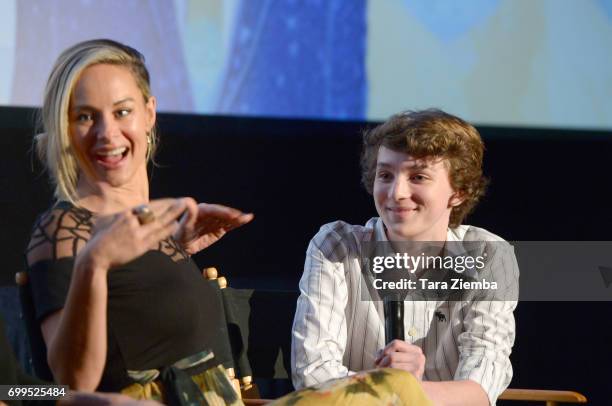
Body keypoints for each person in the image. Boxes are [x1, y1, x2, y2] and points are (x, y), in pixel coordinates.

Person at [25, 39, 253, 404]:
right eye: (85, 117)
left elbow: (148, 327)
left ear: (149, 114)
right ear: (65, 129)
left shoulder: (157, 231)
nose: (107, 133)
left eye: (121, 112)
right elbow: (65, 387)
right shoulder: (64, 231)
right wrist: (94, 264)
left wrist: (169, 252)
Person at [291, 110, 519, 405]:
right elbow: (312, 373)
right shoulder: (335, 246)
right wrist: (398, 389)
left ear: (459, 191)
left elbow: (481, 384)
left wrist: (409, 389)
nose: (396, 192)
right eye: (385, 175)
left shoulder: (489, 255)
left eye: (418, 177)